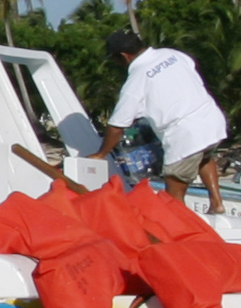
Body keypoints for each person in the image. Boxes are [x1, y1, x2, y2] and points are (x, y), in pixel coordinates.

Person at [87, 28, 233, 215]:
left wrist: (101, 154)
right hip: (212, 121)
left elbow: (117, 126)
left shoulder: (136, 80)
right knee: (204, 156)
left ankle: (182, 231)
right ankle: (217, 203)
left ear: (123, 56)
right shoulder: (172, 54)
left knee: (173, 194)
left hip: (184, 135)